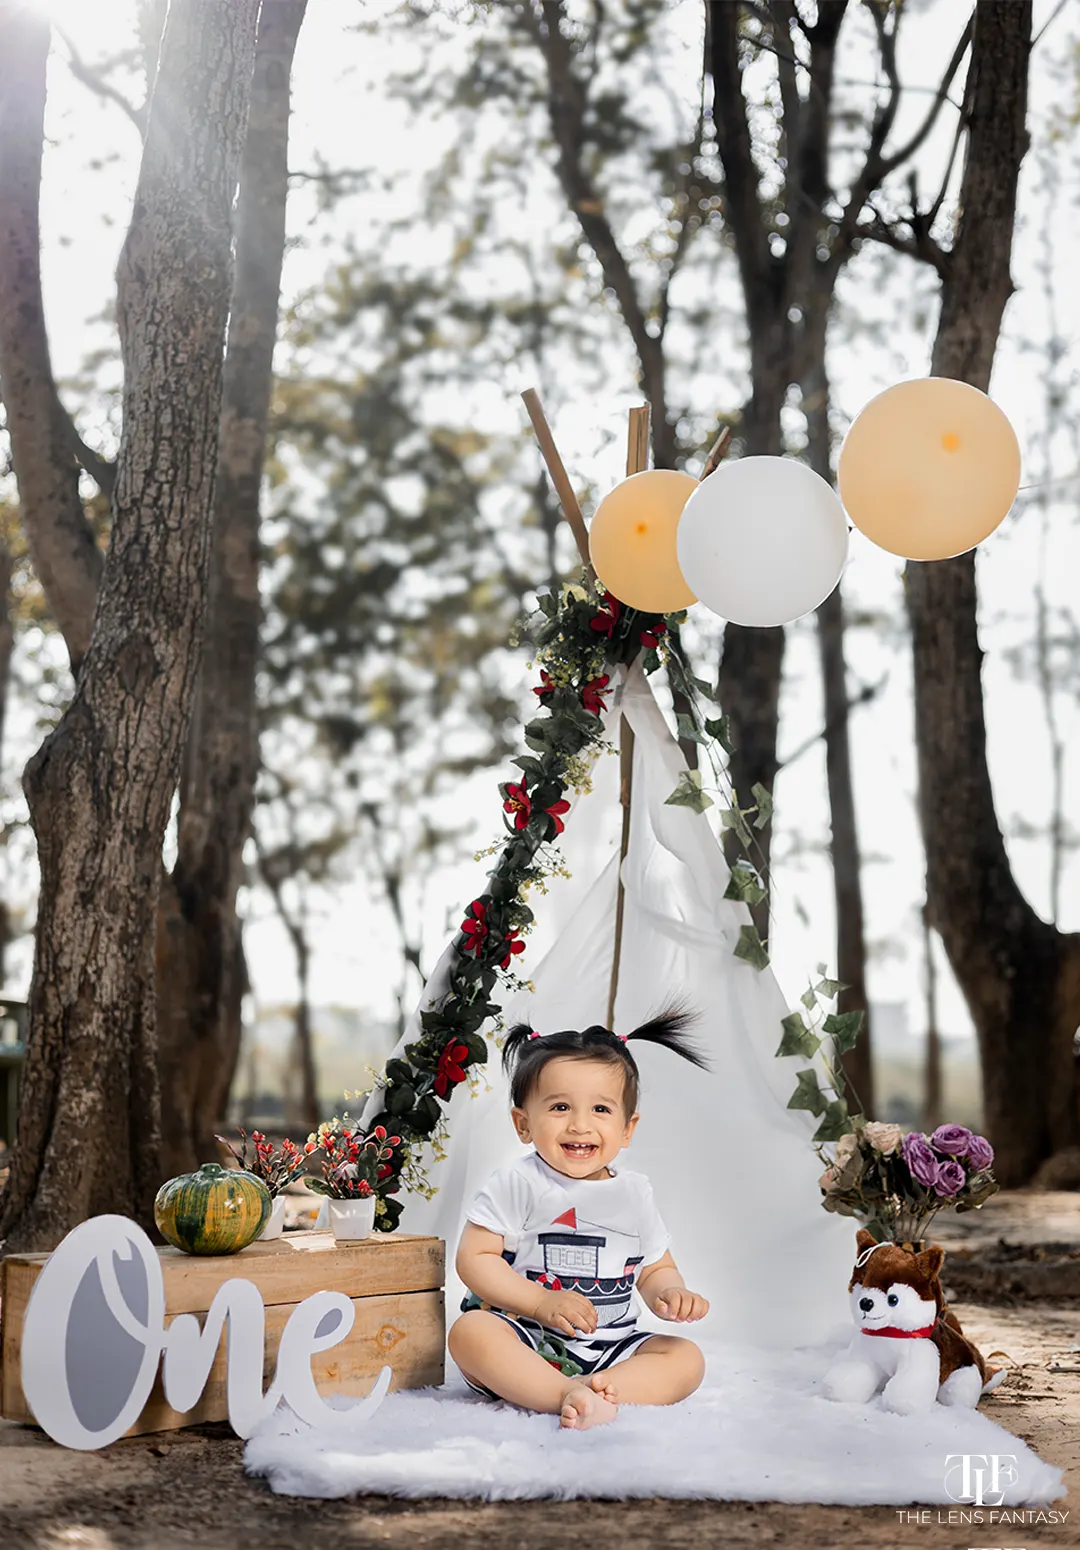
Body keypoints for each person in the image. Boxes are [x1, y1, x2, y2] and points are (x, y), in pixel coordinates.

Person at [448, 1008, 711, 1430]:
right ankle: (558, 1392)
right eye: (560, 1107)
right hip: (529, 1341)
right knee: (470, 1332)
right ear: (523, 1124)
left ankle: (595, 1390)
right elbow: (475, 1258)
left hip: (612, 1347)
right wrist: (540, 1301)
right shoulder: (518, 1182)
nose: (579, 1125)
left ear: (627, 1129)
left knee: (686, 1359)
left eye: (601, 1109)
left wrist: (670, 1292)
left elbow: (653, 1267)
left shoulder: (635, 1193)